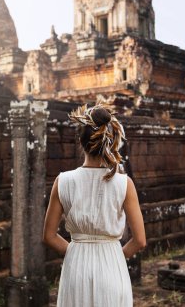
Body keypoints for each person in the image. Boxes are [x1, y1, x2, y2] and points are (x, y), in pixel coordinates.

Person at [43, 103, 146, 307]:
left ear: (80, 142)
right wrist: (113, 254)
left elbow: (48, 236)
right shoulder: (124, 183)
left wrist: (78, 251)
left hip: (76, 268)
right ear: (110, 142)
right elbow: (140, 241)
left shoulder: (62, 181)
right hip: (112, 267)